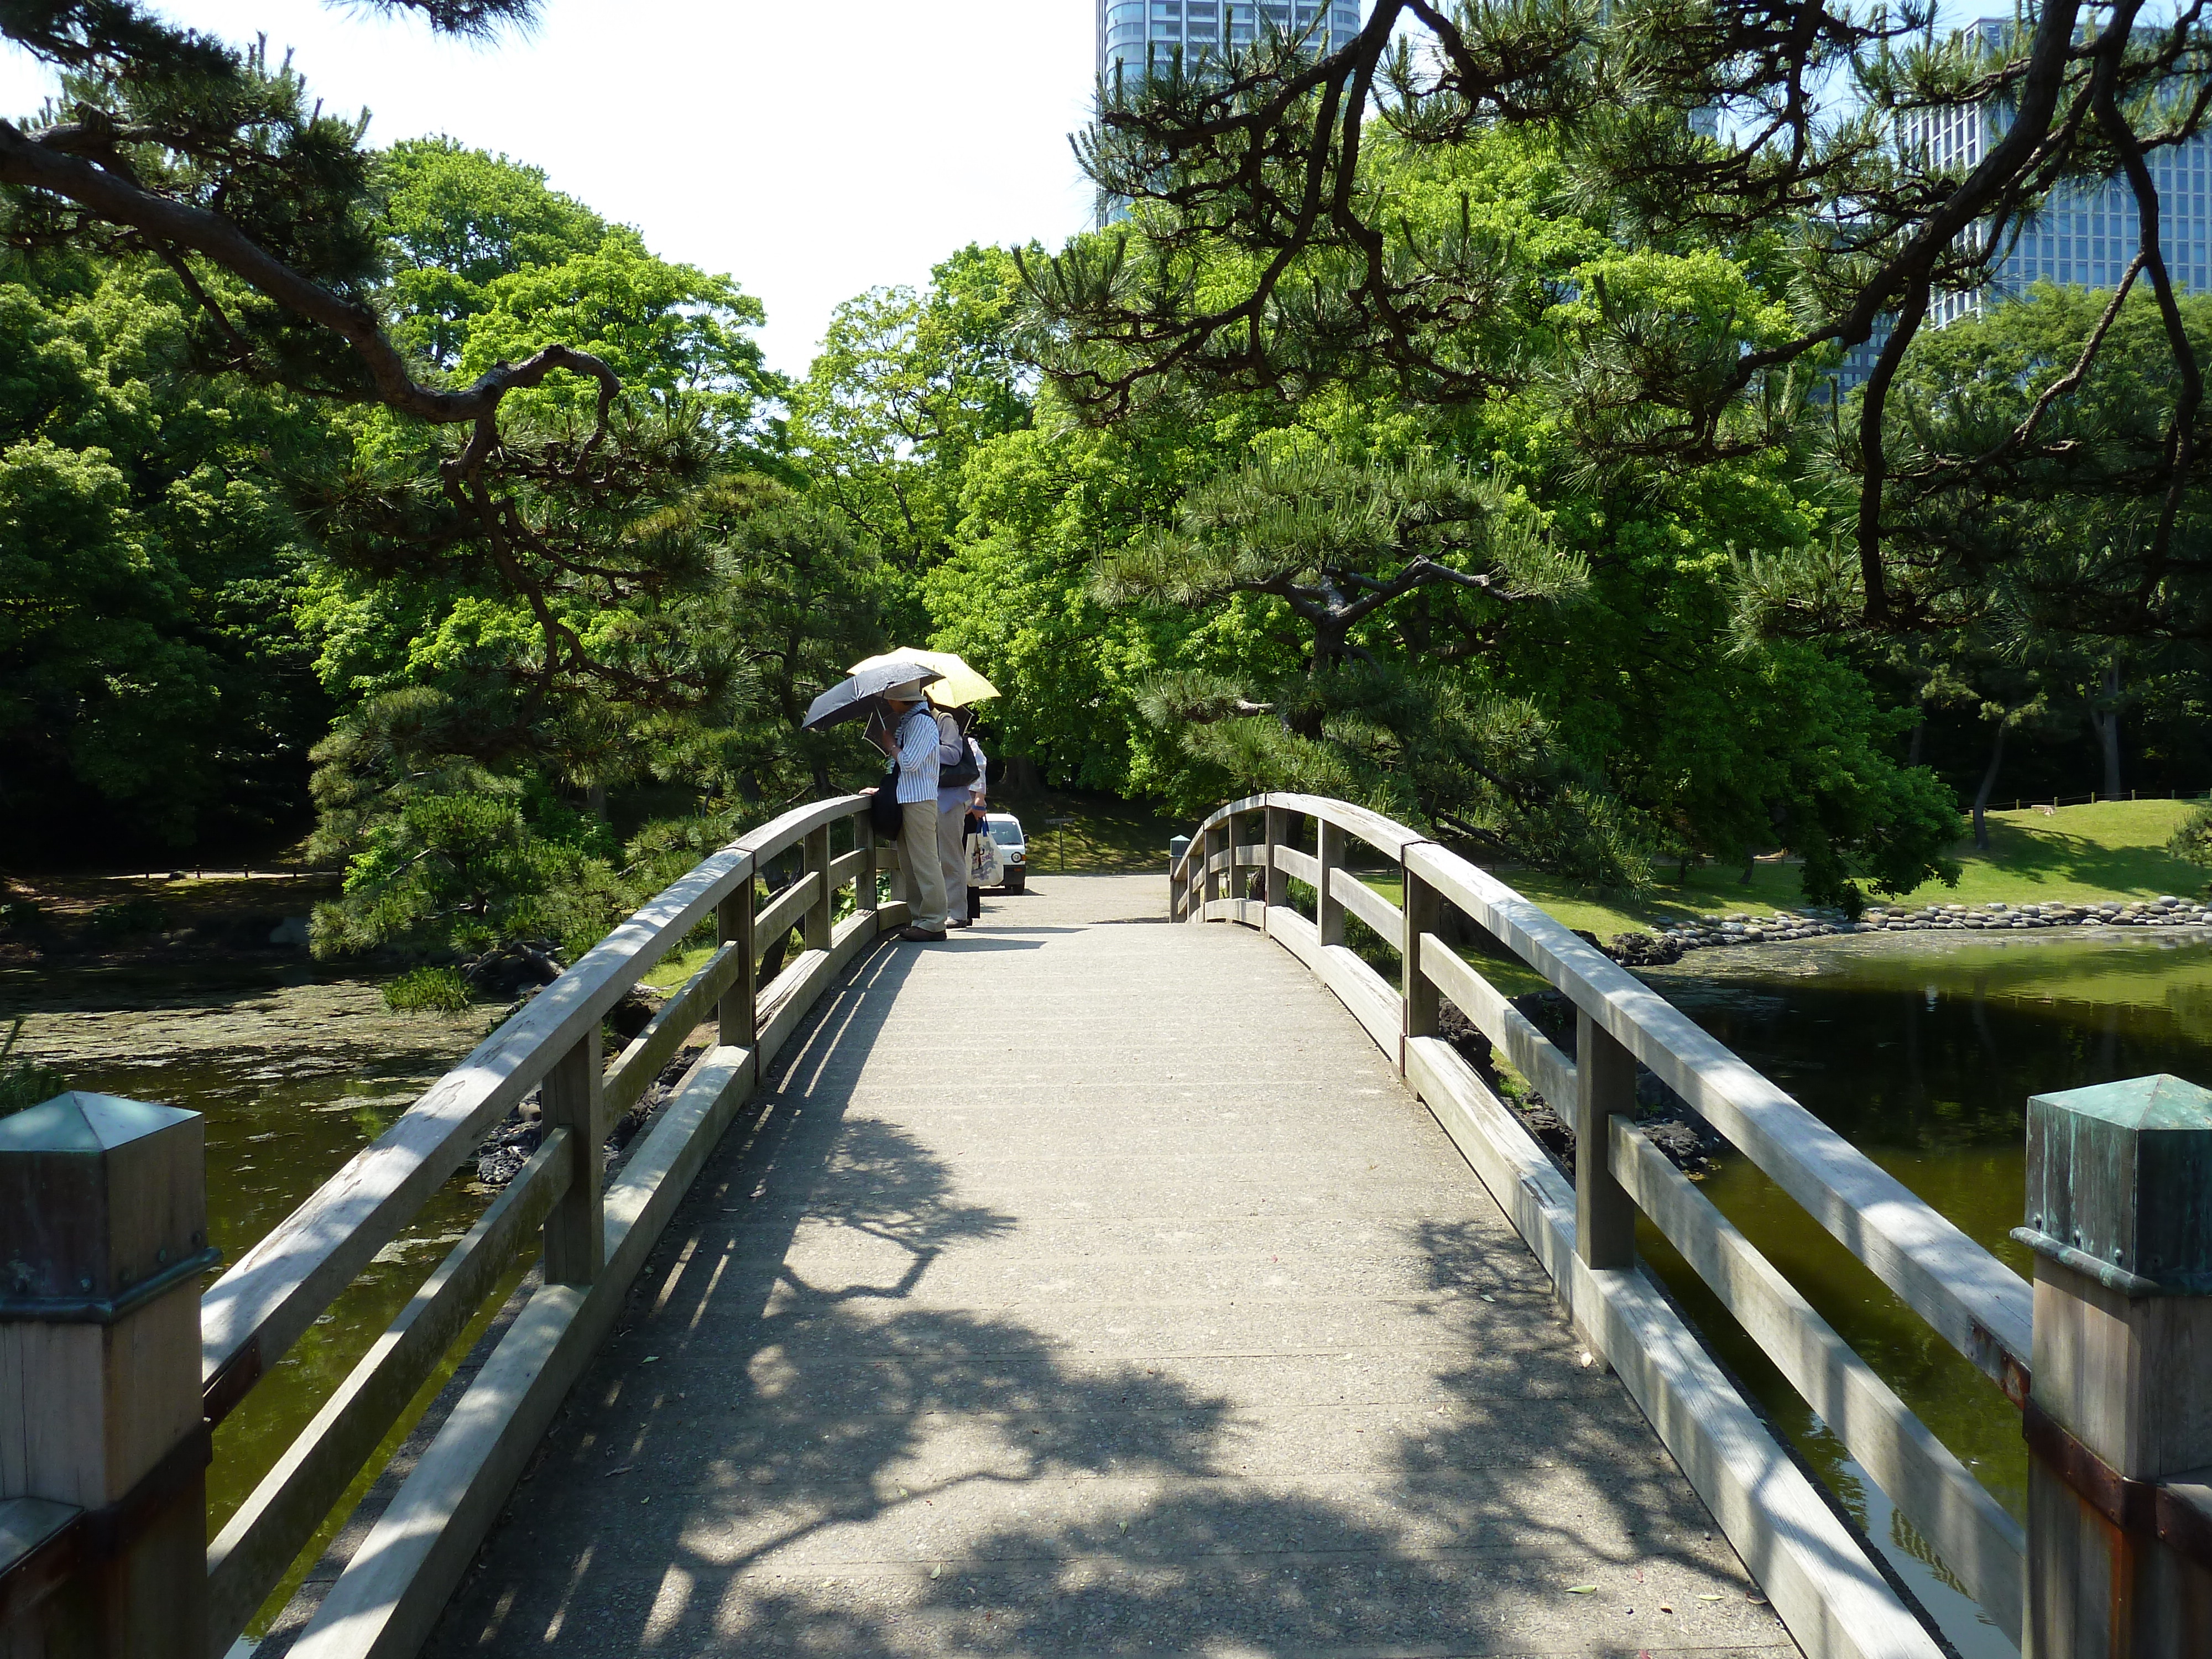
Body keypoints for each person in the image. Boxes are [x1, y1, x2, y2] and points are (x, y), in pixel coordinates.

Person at [873, 682, 963, 941]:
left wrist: (891, 745)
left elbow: (911, 763)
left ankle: (934, 922)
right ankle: (920, 919)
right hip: (906, 798)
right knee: (909, 863)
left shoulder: (922, 723)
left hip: (919, 800)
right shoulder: (910, 723)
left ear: (903, 700)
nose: (889, 703)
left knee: (924, 862)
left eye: (892, 699)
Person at [937, 708, 987, 927]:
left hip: (957, 802)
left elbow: (978, 771)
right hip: (943, 800)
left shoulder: (964, 740)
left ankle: (960, 912)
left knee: (955, 857)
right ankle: (953, 910)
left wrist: (978, 800)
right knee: (948, 857)